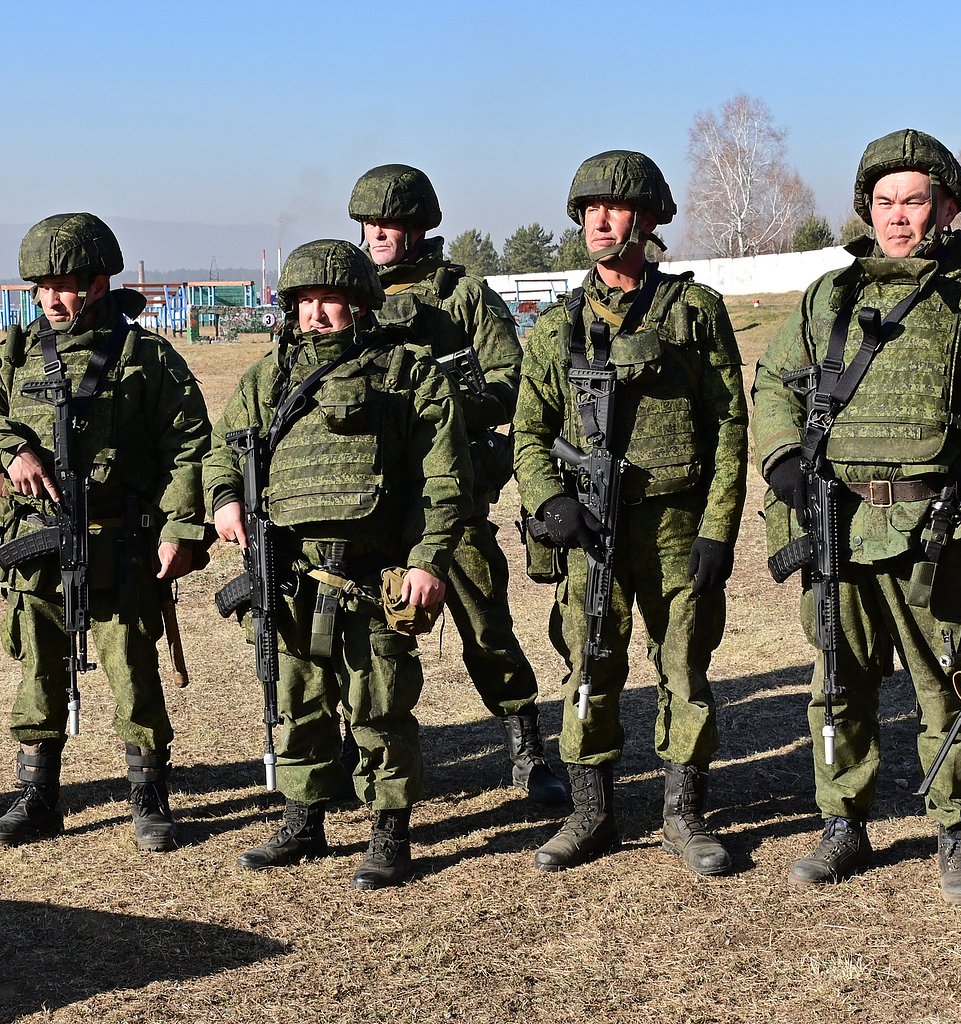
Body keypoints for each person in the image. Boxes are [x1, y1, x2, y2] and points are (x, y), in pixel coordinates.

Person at [751, 128, 961, 905]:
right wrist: (785, 463)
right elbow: (774, 380)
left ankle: (960, 832)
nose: (897, 217)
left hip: (941, 533)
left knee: (950, 687)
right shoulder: (831, 296)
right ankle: (844, 822)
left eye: (913, 201)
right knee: (836, 683)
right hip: (841, 526)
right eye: (883, 202)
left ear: (948, 206)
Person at [204, 239, 472, 889]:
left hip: (374, 574)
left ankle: (389, 830)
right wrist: (224, 500)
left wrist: (429, 560)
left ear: (360, 304)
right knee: (298, 701)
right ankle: (304, 819)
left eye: (331, 300)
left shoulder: (408, 374)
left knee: (380, 703)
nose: (316, 315)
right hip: (291, 572)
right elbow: (221, 450)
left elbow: (445, 480)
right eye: (304, 302)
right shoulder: (267, 378)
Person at [513, 150, 748, 873]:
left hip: (677, 524)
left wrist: (717, 528)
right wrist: (551, 501)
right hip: (592, 530)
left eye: (615, 209)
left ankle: (684, 813)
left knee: (684, 666)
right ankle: (592, 813)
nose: (600, 221)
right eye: (589, 210)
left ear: (648, 221)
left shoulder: (694, 311)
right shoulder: (557, 328)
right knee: (589, 663)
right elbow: (527, 431)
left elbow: (730, 425)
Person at [347, 164, 567, 804]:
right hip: (363, 499)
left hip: (449, 497)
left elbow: (509, 385)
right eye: (370, 223)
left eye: (391, 222)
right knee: (354, 634)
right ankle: (348, 754)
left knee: (484, 622)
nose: (379, 233)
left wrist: (438, 399)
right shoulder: (348, 291)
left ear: (418, 227)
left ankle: (526, 750)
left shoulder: (463, 295)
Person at [0, 212, 212, 852]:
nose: (50, 299)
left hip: (120, 542)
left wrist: (179, 528)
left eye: (63, 285)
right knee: (38, 667)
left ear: (98, 283)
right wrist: (12, 450)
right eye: (40, 287)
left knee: (131, 670)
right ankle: (39, 794)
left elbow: (192, 446)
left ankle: (148, 795)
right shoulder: (13, 354)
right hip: (38, 546)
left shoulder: (145, 357)